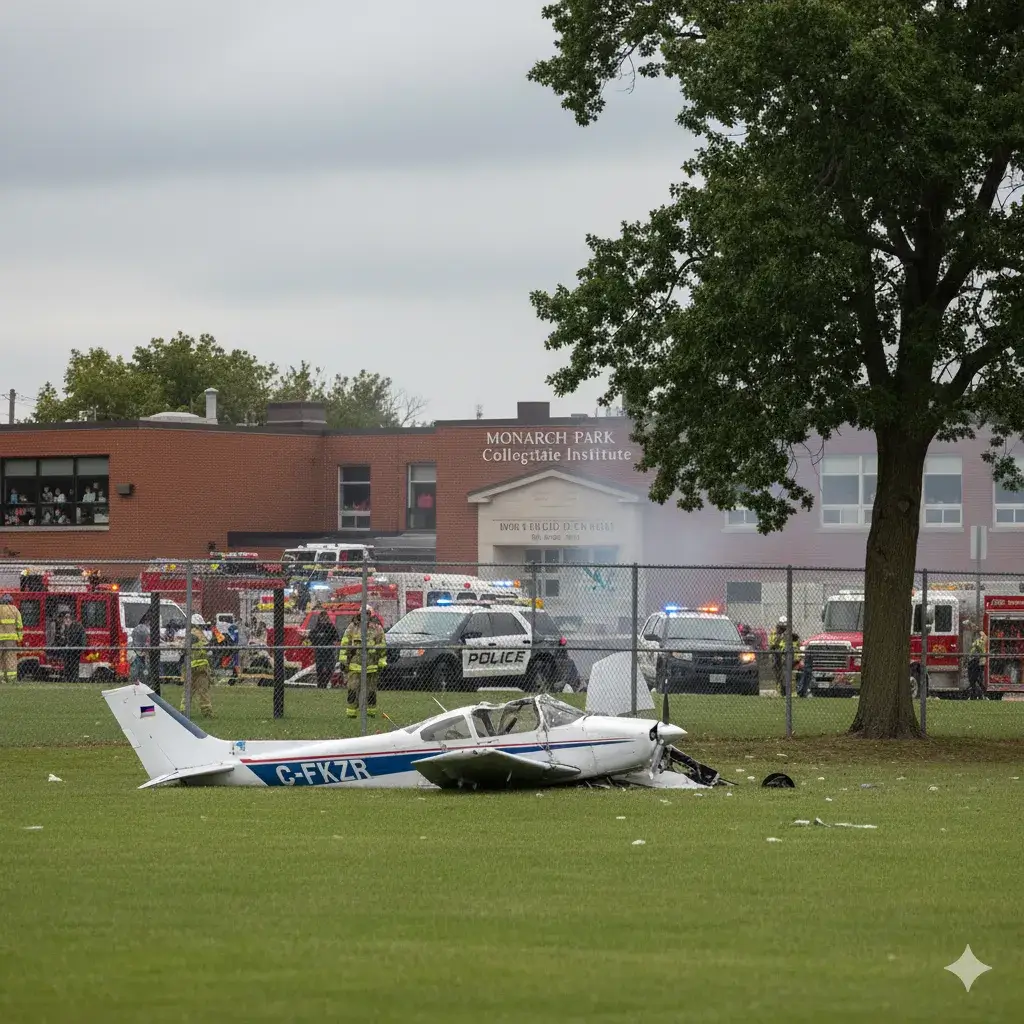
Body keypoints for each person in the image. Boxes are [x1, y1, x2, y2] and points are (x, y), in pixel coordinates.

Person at [339, 607, 387, 718]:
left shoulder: (377, 628)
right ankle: (351, 714)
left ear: (371, 615)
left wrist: (381, 660)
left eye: (367, 613)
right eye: (363, 614)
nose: (365, 616)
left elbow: (382, 646)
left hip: (371, 664)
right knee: (352, 690)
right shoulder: (352, 627)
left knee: (371, 691)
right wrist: (343, 661)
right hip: (355, 664)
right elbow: (345, 644)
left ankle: (371, 713)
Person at [180, 613, 214, 717]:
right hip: (201, 667)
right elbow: (208, 650)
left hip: (190, 666)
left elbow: (183, 651)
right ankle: (207, 712)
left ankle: (184, 711)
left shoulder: (190, 635)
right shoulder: (200, 635)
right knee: (203, 691)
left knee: (188, 691)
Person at [308, 609, 340, 689]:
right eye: (322, 617)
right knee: (319, 669)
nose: (323, 619)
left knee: (329, 669)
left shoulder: (330, 627)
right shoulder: (317, 628)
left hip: (329, 652)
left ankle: (325, 684)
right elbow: (311, 637)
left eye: (325, 617)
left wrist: (333, 643)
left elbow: (336, 638)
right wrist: (315, 643)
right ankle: (320, 685)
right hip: (319, 652)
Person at [54, 608, 87, 682]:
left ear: (70, 618)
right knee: (67, 664)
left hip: (75, 649)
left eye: (67, 618)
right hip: (67, 650)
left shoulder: (78, 626)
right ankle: (68, 678)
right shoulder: (64, 628)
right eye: (65, 618)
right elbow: (61, 640)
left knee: (74, 665)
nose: (66, 620)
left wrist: (81, 648)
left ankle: (74, 679)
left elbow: (82, 637)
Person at [0, 593, 23, 684]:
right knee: (10, 658)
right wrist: (19, 639)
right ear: (10, 601)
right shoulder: (15, 610)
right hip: (11, 639)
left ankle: (1, 679)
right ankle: (11, 679)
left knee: (1, 659)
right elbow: (19, 626)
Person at [967, 622, 988, 700]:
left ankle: (979, 694)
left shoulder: (982, 639)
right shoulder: (977, 639)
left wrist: (975, 627)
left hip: (978, 661)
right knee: (974, 679)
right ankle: (976, 694)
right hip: (974, 661)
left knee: (974, 679)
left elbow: (982, 636)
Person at [130, 612, 151, 683]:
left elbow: (132, 637)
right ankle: (144, 679)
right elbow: (148, 640)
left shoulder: (136, 628)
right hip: (144, 650)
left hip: (136, 649)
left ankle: (135, 679)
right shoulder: (147, 629)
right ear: (147, 621)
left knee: (136, 665)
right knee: (145, 666)